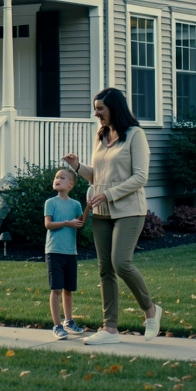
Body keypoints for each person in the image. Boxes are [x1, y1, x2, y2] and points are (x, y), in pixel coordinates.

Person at [63, 87, 162, 345]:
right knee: (105, 269)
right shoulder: (102, 135)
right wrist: (77, 167)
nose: (96, 114)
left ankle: (150, 311)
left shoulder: (135, 135)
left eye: (100, 109)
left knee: (121, 263)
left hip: (129, 210)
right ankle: (110, 329)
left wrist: (109, 195)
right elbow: (98, 176)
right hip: (101, 212)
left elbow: (141, 177)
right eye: (95, 108)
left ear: (114, 108)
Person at [43, 168, 89, 340]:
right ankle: (57, 325)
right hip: (54, 251)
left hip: (71, 252)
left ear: (70, 184)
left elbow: (81, 223)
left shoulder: (76, 204)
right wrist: (66, 223)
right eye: (56, 177)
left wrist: (88, 207)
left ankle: (69, 322)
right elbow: (48, 224)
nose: (57, 179)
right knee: (56, 289)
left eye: (62, 178)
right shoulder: (51, 203)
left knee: (68, 289)